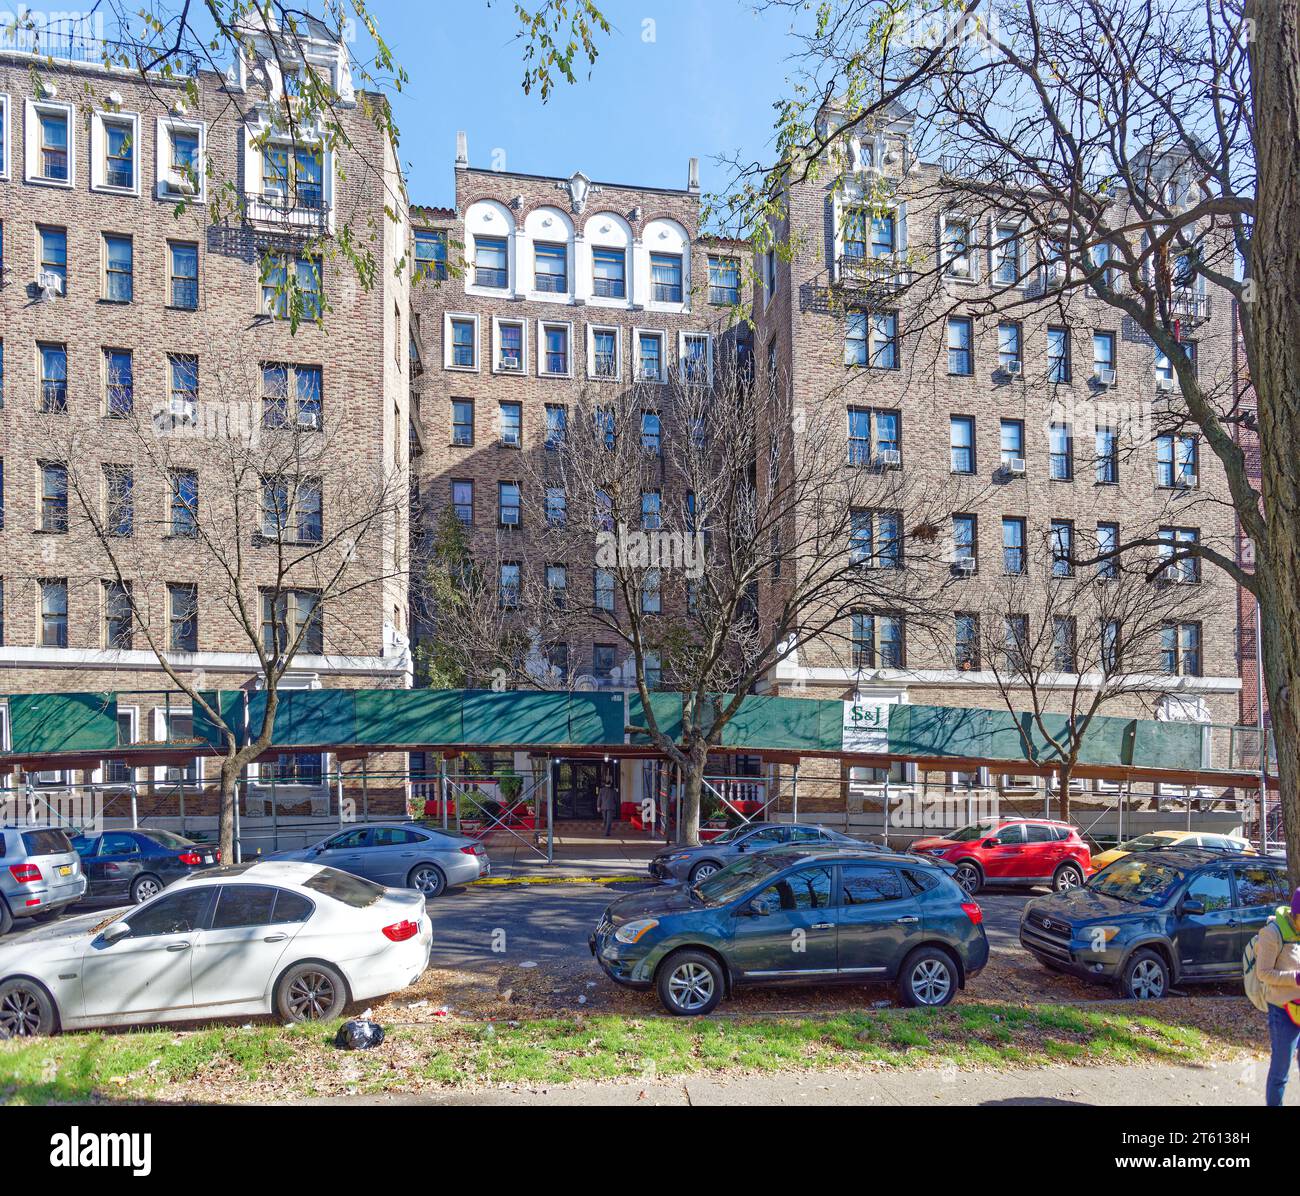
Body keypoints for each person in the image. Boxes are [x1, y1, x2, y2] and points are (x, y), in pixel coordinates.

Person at [1256, 886, 1300, 1105]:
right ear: (1295, 914)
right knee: (1280, 1073)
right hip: (1282, 1011)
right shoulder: (1273, 933)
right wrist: (1296, 978)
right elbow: (1263, 973)